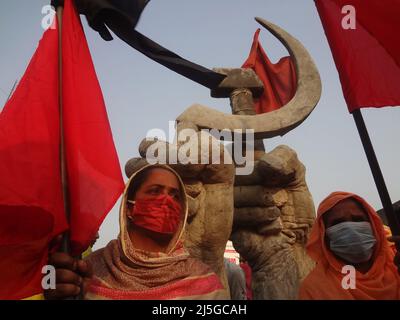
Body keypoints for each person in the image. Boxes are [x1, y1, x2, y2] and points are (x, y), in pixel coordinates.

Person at [45, 164, 228, 300]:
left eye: (175, 196)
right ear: (129, 208)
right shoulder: (88, 273)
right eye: (155, 191)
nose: (166, 200)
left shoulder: (203, 282)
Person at [299, 191, 400, 300]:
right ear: (324, 235)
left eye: (358, 219)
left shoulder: (396, 259)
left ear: (374, 226)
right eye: (338, 223)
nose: (351, 229)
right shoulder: (314, 290)